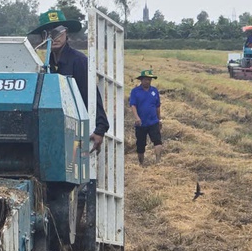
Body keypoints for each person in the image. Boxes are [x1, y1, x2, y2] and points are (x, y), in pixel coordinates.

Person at [28, 10, 110, 153]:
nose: (54, 37)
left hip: (77, 125)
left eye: (58, 32)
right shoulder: (43, 65)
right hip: (54, 126)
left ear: (66, 33)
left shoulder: (79, 61)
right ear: (43, 37)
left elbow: (90, 95)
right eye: (49, 33)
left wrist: (100, 128)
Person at [130, 70, 163, 165]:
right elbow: (133, 105)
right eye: (146, 79)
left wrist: (159, 119)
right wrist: (137, 117)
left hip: (153, 121)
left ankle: (158, 161)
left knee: (157, 141)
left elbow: (157, 106)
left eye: (149, 80)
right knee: (140, 145)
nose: (147, 81)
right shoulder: (135, 92)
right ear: (141, 80)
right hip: (141, 123)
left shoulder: (154, 91)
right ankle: (141, 163)